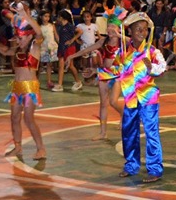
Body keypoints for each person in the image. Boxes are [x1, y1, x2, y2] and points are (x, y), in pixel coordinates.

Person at [107, 12, 168, 183]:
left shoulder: (152, 51)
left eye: (145, 30)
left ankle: (155, 168)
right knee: (128, 133)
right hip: (130, 99)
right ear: (131, 32)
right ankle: (131, 165)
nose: (142, 33)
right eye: (138, 30)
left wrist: (152, 68)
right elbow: (115, 70)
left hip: (148, 98)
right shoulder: (124, 52)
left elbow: (163, 67)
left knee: (151, 133)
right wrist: (96, 73)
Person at [0, 3, 46, 160]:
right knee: (14, 117)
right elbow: (5, 50)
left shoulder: (34, 47)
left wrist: (27, 17)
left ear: (29, 36)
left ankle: (41, 149)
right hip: (17, 87)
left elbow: (39, 32)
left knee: (28, 119)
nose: (18, 40)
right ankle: (18, 147)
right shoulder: (18, 50)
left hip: (30, 87)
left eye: (20, 37)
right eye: (17, 38)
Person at [68, 10, 125, 140]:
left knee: (113, 101)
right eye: (109, 26)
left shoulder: (123, 43)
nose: (110, 29)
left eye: (113, 26)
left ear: (118, 28)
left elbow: (134, 42)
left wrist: (120, 35)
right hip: (104, 73)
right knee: (103, 104)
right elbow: (89, 48)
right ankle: (103, 133)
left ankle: (124, 114)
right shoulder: (104, 41)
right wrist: (72, 55)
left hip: (117, 75)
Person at [53, 10, 82, 92]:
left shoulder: (70, 26)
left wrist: (72, 40)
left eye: (58, 17)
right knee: (61, 65)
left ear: (62, 17)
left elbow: (80, 31)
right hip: (61, 47)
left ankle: (78, 81)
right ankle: (59, 84)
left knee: (70, 65)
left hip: (69, 47)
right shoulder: (59, 26)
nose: (57, 19)